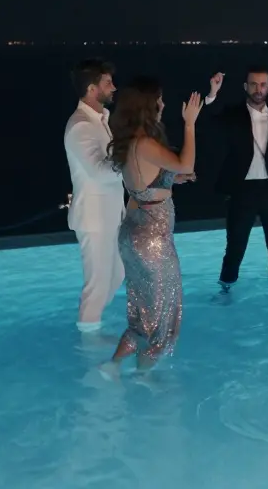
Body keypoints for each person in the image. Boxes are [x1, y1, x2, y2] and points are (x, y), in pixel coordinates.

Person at [98, 78, 201, 377]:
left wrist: (171, 180)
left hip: (132, 235)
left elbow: (143, 188)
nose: (164, 105)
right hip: (152, 242)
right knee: (162, 319)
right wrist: (190, 124)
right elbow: (186, 163)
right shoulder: (145, 143)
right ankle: (143, 378)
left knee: (141, 316)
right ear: (148, 106)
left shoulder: (130, 142)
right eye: (160, 100)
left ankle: (112, 367)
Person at [203, 66, 268, 296]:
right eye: (253, 84)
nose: (258, 89)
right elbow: (211, 118)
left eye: (263, 84)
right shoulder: (233, 114)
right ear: (245, 87)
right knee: (235, 247)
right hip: (243, 189)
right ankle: (225, 291)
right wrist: (212, 93)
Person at [64, 59, 126, 334]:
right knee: (97, 285)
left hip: (111, 215)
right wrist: (132, 157)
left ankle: (92, 325)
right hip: (94, 219)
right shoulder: (80, 126)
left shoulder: (101, 120)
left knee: (118, 275)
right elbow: (101, 172)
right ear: (92, 89)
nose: (114, 87)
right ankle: (88, 343)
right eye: (107, 83)